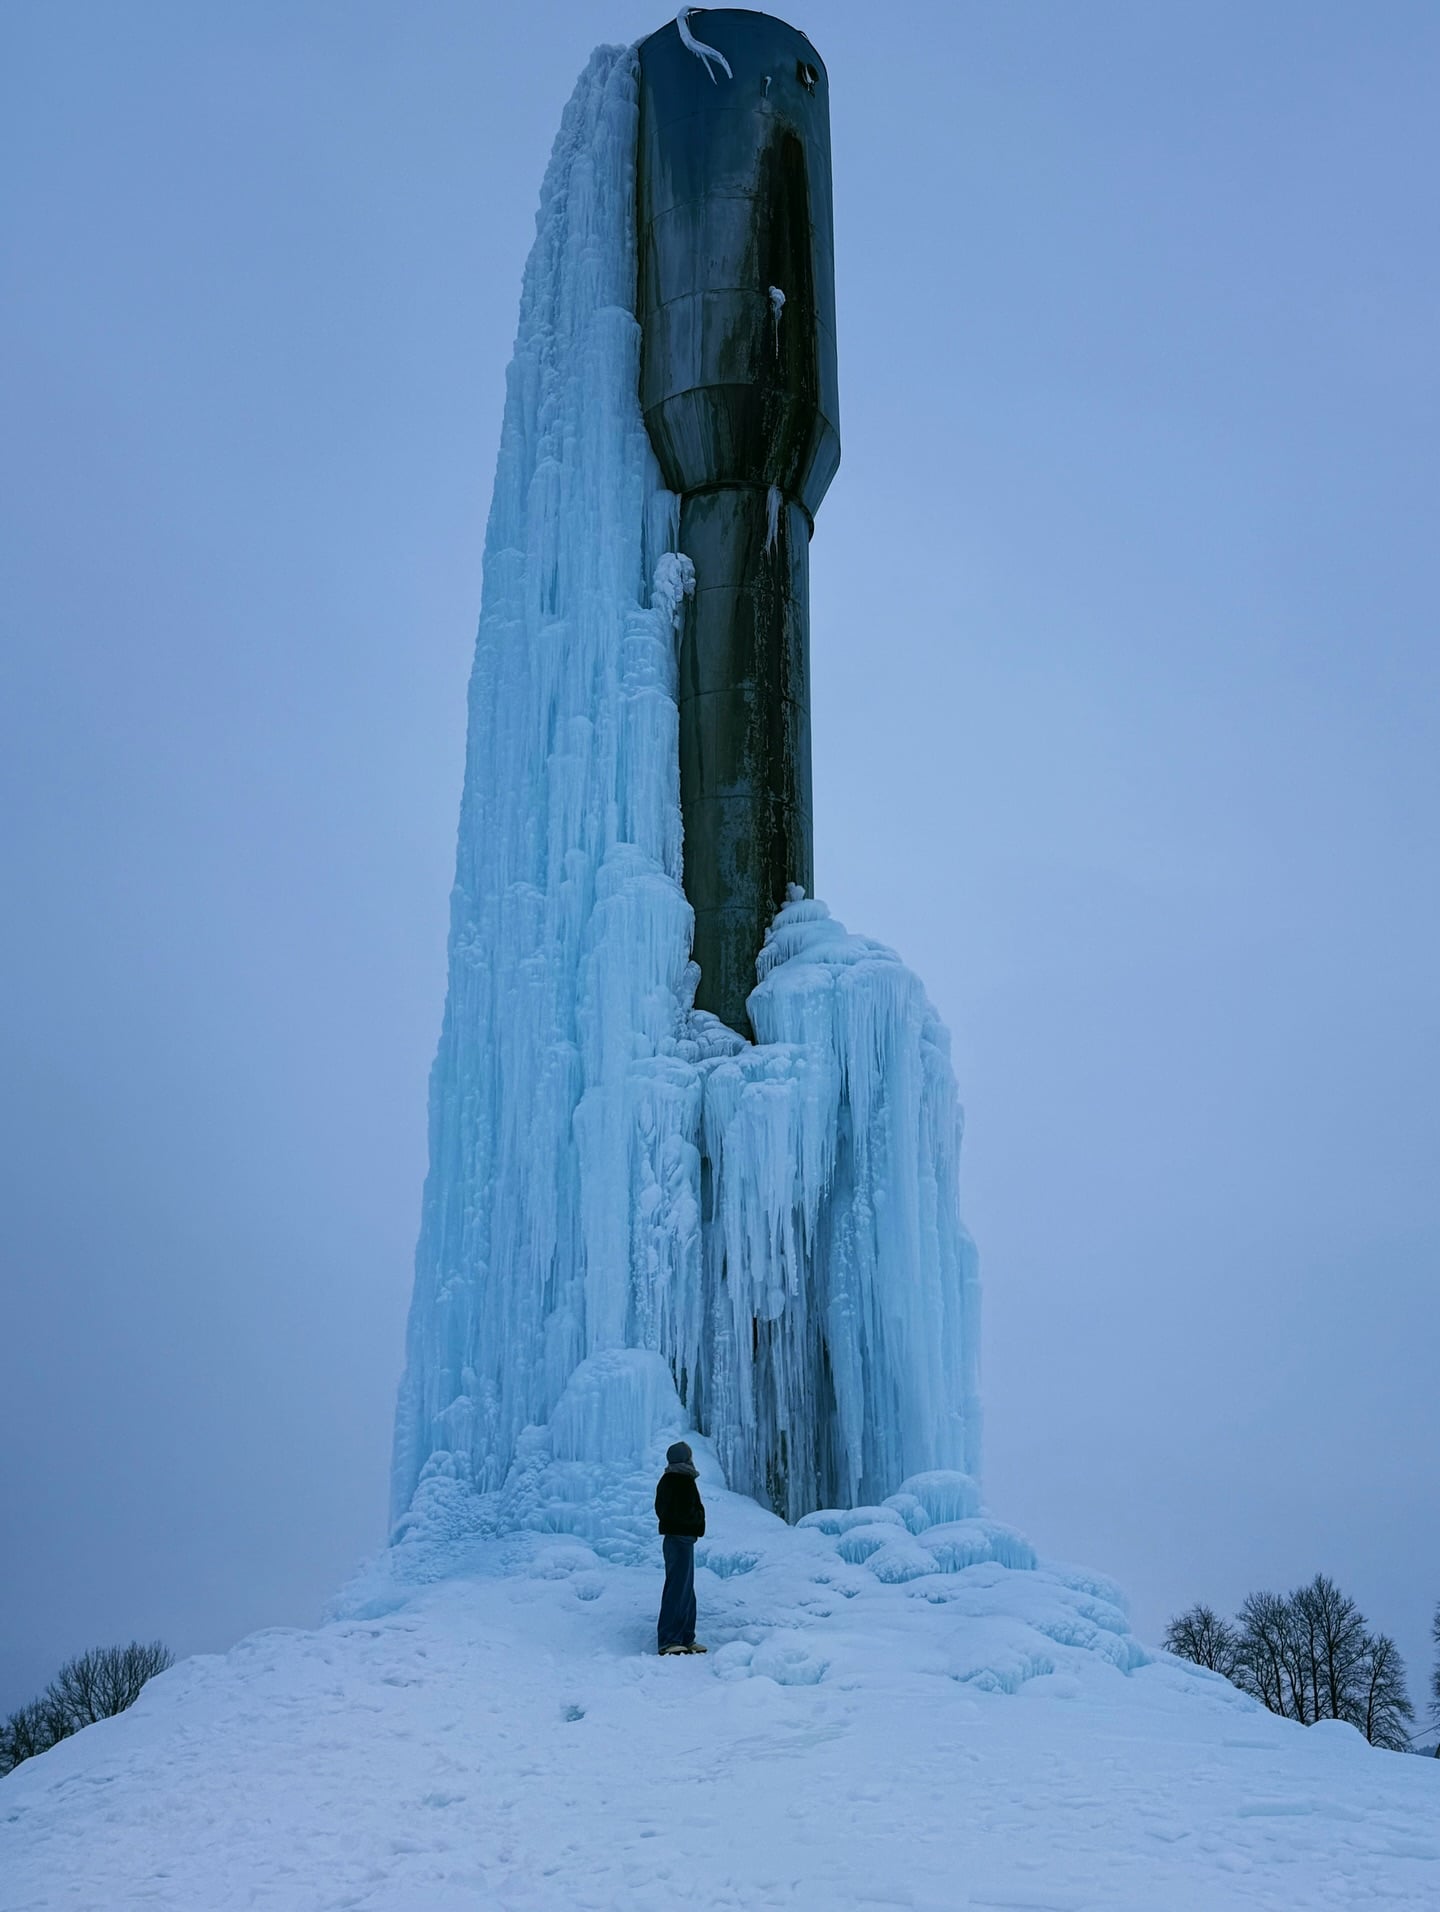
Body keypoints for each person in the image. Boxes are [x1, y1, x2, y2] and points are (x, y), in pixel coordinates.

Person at [654, 1440, 706, 1655]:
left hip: (682, 1539)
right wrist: (693, 1522)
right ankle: (669, 1639)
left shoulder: (676, 1479)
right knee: (677, 1587)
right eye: (689, 1455)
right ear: (685, 1458)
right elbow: (671, 1511)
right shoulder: (676, 1479)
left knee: (686, 1589)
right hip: (679, 1539)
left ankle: (686, 1637)